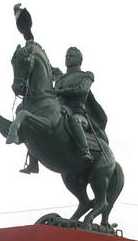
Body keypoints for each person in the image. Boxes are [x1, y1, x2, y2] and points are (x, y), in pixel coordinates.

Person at [19, 46, 109, 174]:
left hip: (78, 112)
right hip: (59, 110)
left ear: (79, 60)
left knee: (74, 120)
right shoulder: (59, 77)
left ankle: (85, 151)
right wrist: (30, 43)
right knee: (37, 120)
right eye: (66, 56)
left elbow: (81, 89)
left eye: (71, 56)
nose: (67, 58)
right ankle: (33, 163)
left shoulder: (85, 76)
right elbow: (44, 63)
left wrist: (59, 91)